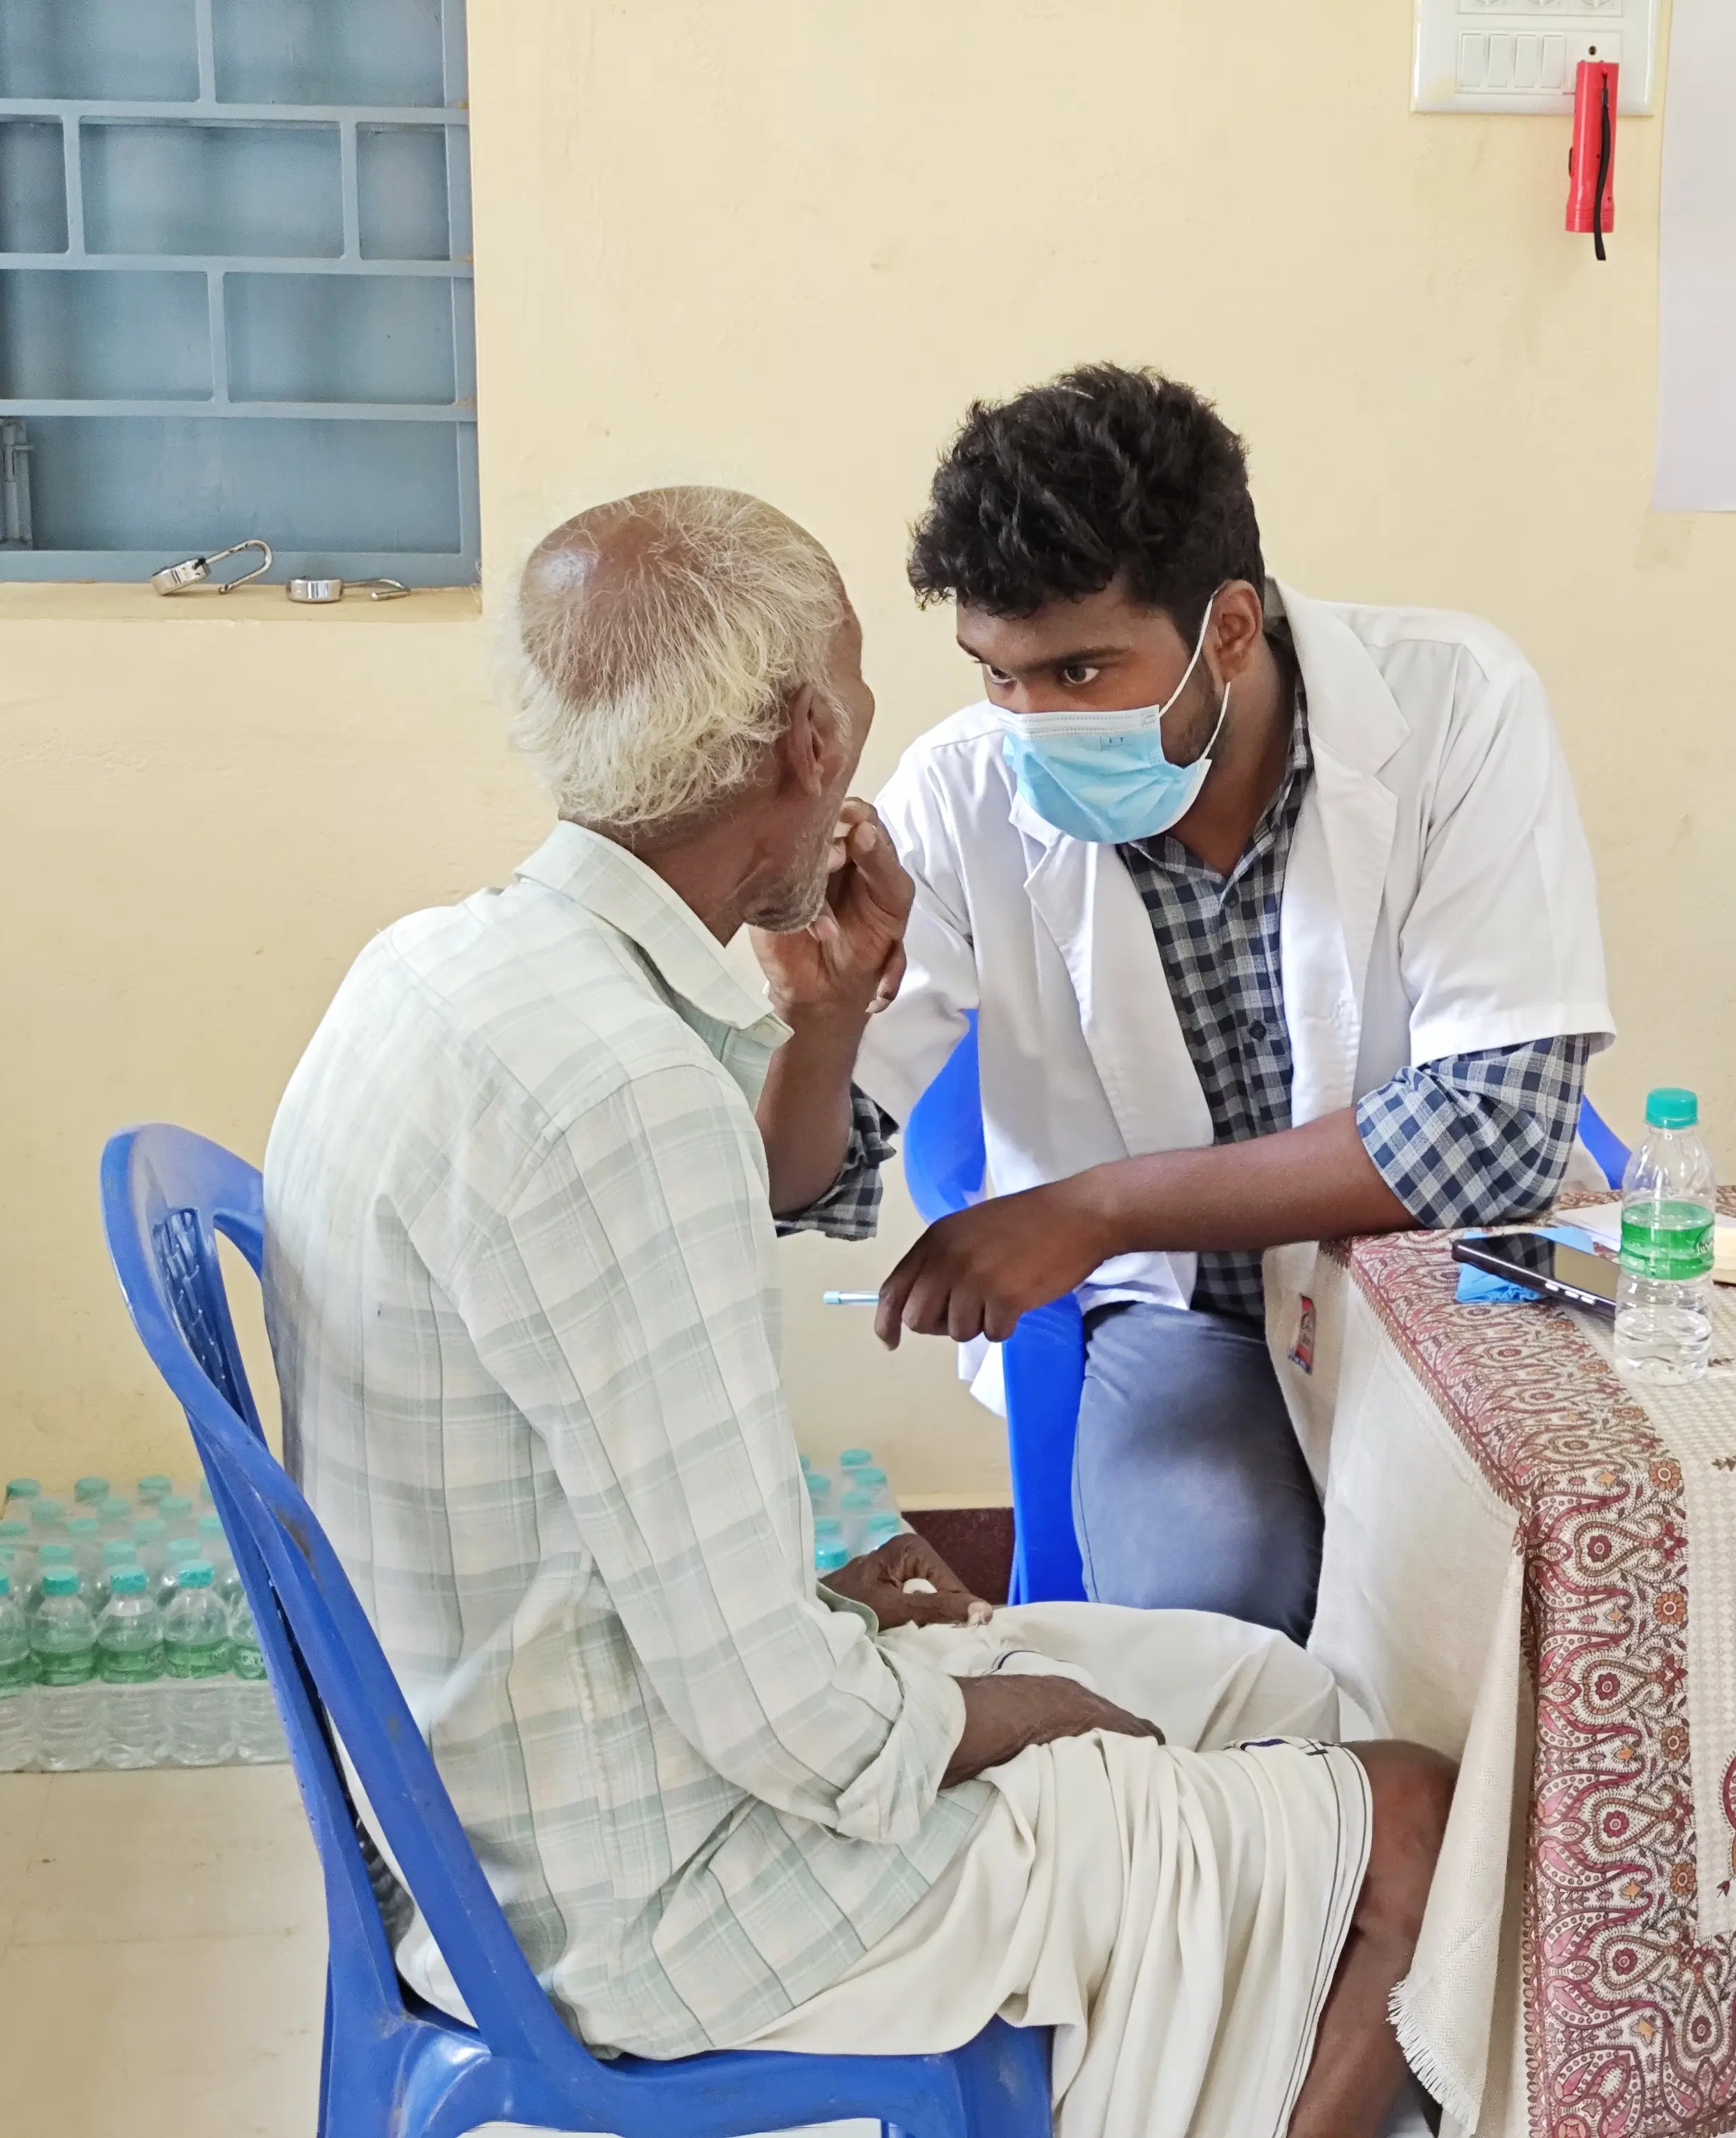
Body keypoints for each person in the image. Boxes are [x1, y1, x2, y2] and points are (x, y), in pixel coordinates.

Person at [262, 485, 1454, 2138]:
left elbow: (662, 1341)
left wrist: (826, 1019)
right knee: (1405, 1819)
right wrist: (1018, 1705)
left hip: (523, 1782)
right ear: (808, 740)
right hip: (650, 1897)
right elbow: (782, 1720)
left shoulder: (443, 974)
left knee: (1282, 1695)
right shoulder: (615, 1093)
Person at [845, 366, 1613, 1641]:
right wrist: (812, 1017)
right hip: (1180, 1313)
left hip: (1426, 1291)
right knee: (1220, 1608)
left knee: (1542, 1605)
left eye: (1081, 672)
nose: (1033, 723)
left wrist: (1094, 1207)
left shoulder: (1455, 704)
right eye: (998, 675)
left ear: (1232, 630)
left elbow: (1499, 1130)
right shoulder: (965, 786)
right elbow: (811, 1170)